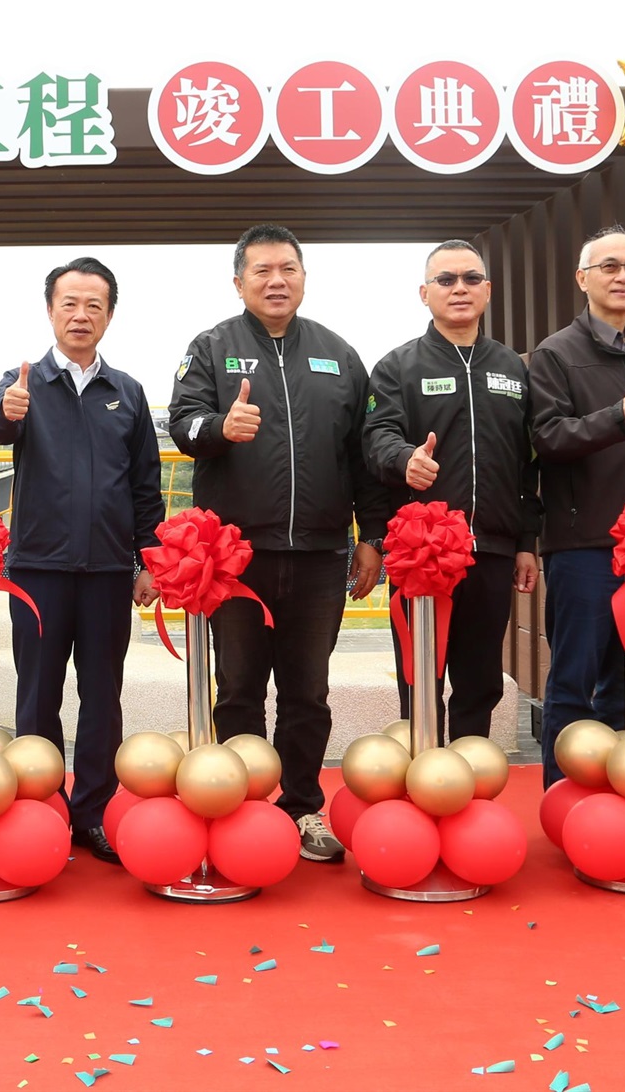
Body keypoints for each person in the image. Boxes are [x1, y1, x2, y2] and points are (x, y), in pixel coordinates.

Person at [169, 224, 392, 862]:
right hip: (236, 557)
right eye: (262, 270)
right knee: (239, 686)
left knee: (307, 691)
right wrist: (221, 425)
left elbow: (363, 455)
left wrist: (372, 537)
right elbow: (182, 424)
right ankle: (240, 808)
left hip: (321, 555)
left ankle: (301, 807)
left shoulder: (338, 354)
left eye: (287, 269)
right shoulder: (212, 347)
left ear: (303, 278)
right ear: (238, 282)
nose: (276, 281)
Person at [0, 257, 164, 864]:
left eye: (94, 306)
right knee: (37, 696)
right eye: (69, 303)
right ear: (50, 310)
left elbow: (145, 487)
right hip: (38, 570)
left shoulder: (127, 392)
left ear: (109, 315)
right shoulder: (23, 381)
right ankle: (42, 810)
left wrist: (149, 560)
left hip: (108, 572)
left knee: (102, 695)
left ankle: (93, 813)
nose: (80, 315)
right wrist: (5, 410)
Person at [363, 240, 539, 743]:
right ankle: (422, 767)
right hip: (423, 554)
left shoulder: (513, 369)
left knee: (480, 680)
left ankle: (468, 771)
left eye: (470, 278)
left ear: (487, 290)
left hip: (494, 550)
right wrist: (405, 459)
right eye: (445, 280)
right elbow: (376, 437)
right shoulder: (397, 366)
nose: (459, 288)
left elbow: (529, 462)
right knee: (420, 676)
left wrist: (526, 542)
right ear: (425, 293)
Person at [530, 226, 625, 787]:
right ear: (582, 279)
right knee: (574, 681)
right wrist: (614, 419)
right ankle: (561, 800)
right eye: (609, 266)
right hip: (584, 545)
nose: (623, 276)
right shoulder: (556, 352)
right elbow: (545, 437)